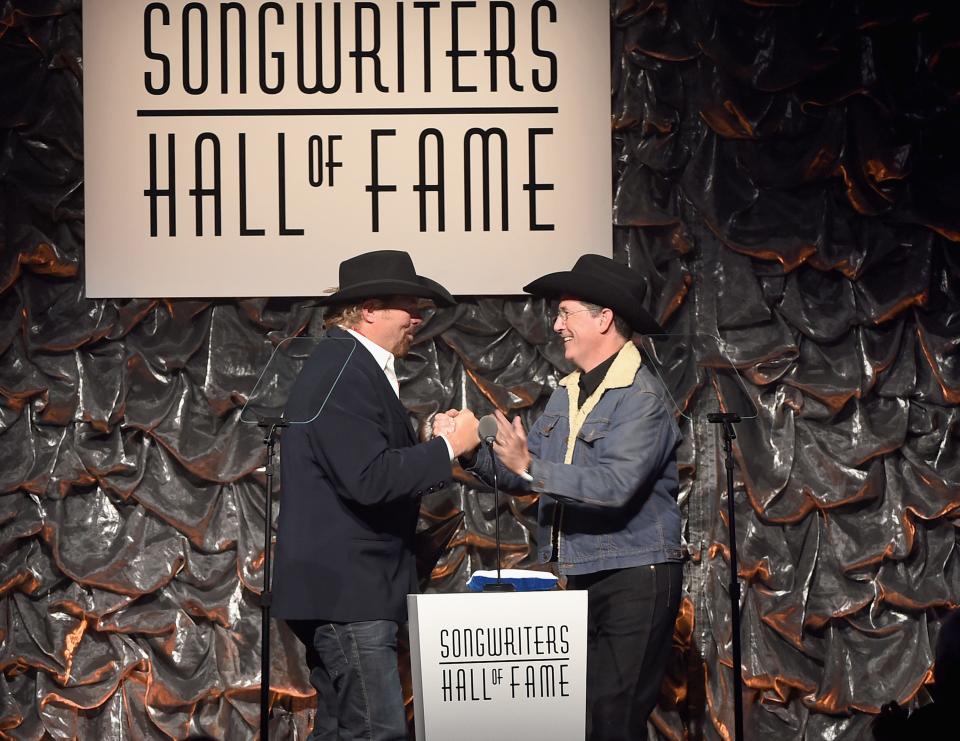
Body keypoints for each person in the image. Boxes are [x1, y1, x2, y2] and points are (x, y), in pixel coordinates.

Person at [438, 254, 684, 740]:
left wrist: (529, 464)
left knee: (613, 720)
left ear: (604, 318)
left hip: (635, 575)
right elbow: (528, 474)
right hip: (582, 574)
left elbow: (614, 487)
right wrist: (468, 451)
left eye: (567, 313)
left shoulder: (641, 398)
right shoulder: (567, 393)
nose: (557, 325)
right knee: (585, 720)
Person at [272, 250, 480, 741]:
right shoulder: (344, 368)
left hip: (346, 590)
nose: (418, 317)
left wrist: (430, 437)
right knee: (376, 730)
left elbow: (362, 457)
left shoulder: (349, 364)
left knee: (344, 728)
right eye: (409, 305)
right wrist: (452, 445)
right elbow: (368, 478)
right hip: (348, 593)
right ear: (369, 309)